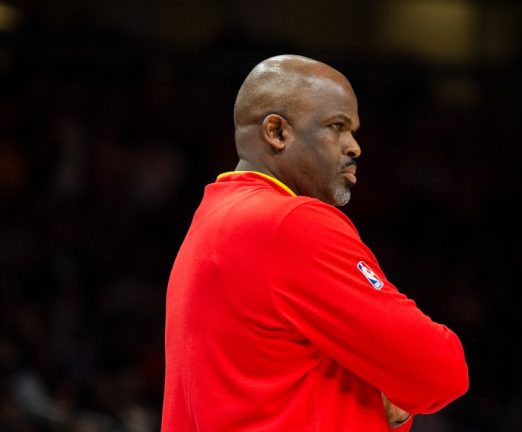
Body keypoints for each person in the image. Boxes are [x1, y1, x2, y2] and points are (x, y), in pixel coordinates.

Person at [161, 54, 469, 431]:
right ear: (277, 132)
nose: (354, 147)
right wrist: (394, 393)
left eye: (354, 131)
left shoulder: (210, 220)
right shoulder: (290, 222)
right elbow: (441, 369)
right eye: (336, 127)